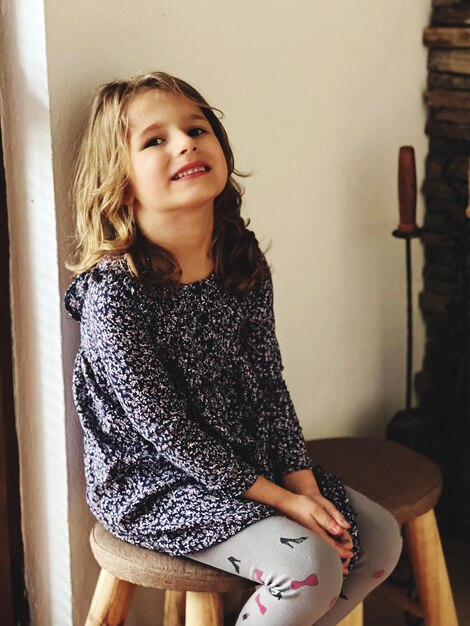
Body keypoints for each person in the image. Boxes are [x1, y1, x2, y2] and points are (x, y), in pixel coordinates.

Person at [64, 71, 402, 625]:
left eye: (197, 128)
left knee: (378, 537)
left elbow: (269, 387)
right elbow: (167, 431)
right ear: (119, 182)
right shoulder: (115, 292)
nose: (185, 143)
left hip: (246, 462)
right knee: (310, 565)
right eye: (155, 140)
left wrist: (304, 487)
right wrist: (286, 503)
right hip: (157, 481)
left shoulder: (239, 261)